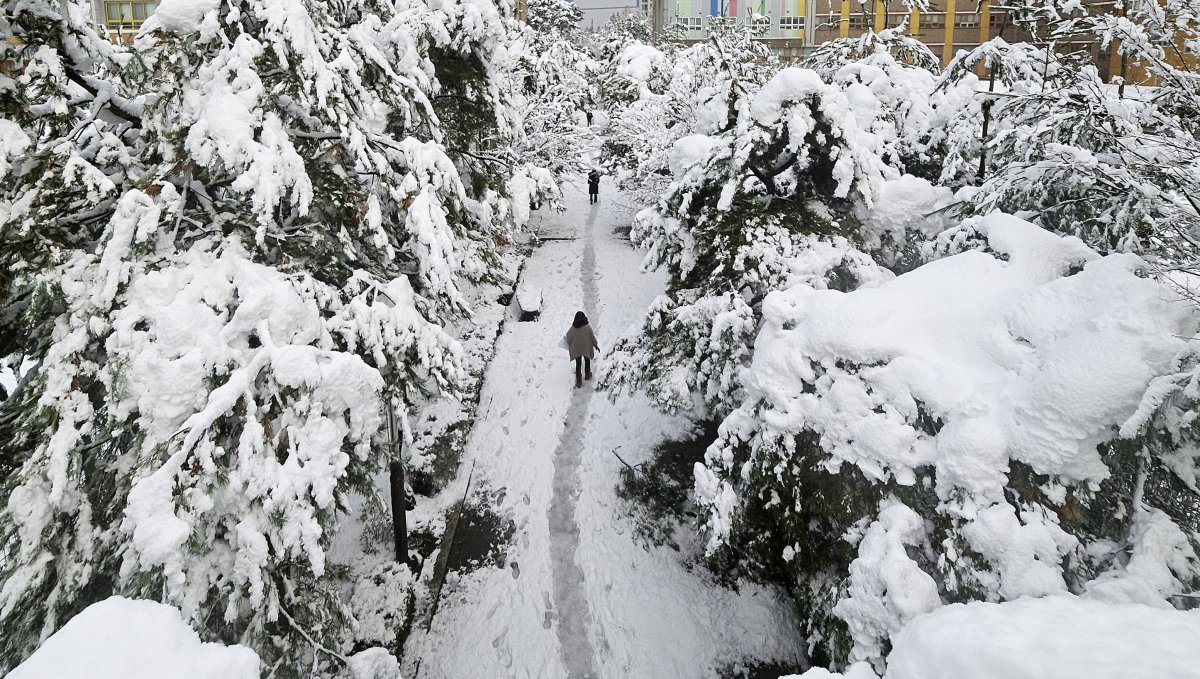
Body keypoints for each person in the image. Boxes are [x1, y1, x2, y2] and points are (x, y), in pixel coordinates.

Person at [563, 310, 599, 388]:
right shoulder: (587, 327)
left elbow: (568, 338)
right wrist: (596, 345)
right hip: (586, 348)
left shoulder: (573, 329)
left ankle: (579, 380)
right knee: (587, 361)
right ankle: (587, 375)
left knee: (578, 364)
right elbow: (592, 338)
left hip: (577, 350)